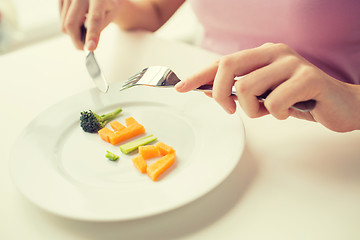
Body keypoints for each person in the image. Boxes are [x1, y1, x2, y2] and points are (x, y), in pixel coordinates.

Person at [59, 0, 360, 133]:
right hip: (213, 116)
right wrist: (116, 4)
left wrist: (352, 99)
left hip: (329, 137)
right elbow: (153, 10)